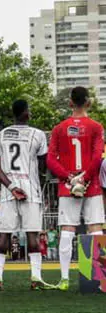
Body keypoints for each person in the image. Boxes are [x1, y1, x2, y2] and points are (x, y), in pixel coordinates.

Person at [0, 99, 54, 290]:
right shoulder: (38, 135)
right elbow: (44, 164)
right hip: (30, 189)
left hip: (9, 189)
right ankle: (35, 278)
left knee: (4, 235)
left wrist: (10, 186)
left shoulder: (0, 135)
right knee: (32, 234)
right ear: (26, 113)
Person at [47, 86, 105, 291]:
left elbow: (51, 159)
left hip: (67, 186)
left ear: (70, 103)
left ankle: (64, 279)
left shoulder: (59, 128)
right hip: (92, 186)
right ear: (88, 103)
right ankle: (98, 281)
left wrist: (70, 178)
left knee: (67, 229)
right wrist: (85, 178)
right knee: (95, 227)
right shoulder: (97, 127)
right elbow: (98, 157)